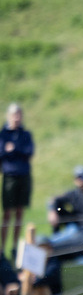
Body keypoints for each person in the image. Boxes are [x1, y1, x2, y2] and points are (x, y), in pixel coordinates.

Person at [0, 104, 33, 257]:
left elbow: (29, 152)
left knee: (19, 212)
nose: (17, 118)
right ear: (9, 116)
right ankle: (2, 247)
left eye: (19, 114)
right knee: (7, 213)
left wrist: (14, 149)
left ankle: (14, 246)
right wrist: (14, 151)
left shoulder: (25, 134)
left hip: (23, 176)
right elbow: (2, 153)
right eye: (14, 115)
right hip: (9, 177)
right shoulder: (3, 134)